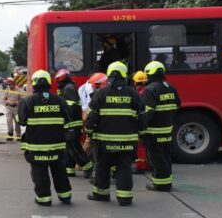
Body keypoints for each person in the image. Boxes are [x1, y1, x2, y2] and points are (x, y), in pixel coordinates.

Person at [85, 61, 145, 206]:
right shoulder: (133, 93)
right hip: (127, 141)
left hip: (103, 142)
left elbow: (92, 116)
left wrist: (89, 131)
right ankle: (124, 198)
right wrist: (141, 132)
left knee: (102, 167)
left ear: (109, 75)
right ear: (125, 75)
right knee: (124, 167)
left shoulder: (100, 92)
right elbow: (142, 115)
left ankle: (101, 194)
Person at [17, 70, 72, 206]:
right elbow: (68, 120)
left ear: (34, 83)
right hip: (57, 145)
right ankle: (65, 196)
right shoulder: (60, 100)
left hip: (36, 146)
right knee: (59, 170)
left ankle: (44, 199)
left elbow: (21, 120)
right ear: (49, 82)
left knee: (39, 172)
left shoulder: (27, 101)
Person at [141, 61, 181, 192]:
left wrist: (140, 126)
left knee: (155, 158)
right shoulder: (171, 87)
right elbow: (177, 106)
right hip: (167, 129)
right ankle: (167, 182)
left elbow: (148, 112)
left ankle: (160, 184)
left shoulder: (150, 89)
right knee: (166, 156)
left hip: (153, 131)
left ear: (151, 74)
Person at [55, 69, 93, 178]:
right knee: (68, 148)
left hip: (71, 124)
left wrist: (64, 118)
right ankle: (69, 169)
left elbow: (70, 107)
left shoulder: (68, 89)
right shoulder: (66, 88)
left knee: (74, 147)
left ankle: (87, 166)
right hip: (69, 123)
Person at [133, 71, 151, 174]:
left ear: (135, 82)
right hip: (149, 122)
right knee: (147, 145)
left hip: (141, 122)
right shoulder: (148, 91)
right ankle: (148, 164)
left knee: (140, 145)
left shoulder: (137, 93)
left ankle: (140, 167)